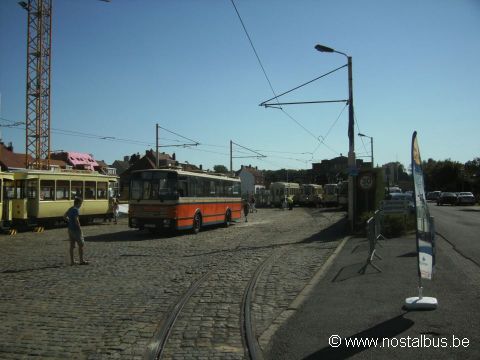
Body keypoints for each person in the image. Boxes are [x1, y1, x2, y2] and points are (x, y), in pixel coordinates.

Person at [64, 197, 88, 266]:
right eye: (81, 203)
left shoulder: (71, 208)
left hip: (70, 229)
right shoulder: (76, 210)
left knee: (72, 246)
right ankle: (81, 260)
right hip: (76, 230)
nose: (81, 205)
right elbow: (77, 220)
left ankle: (72, 261)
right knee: (81, 245)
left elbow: (64, 216)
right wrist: (80, 229)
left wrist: (69, 221)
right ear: (78, 203)